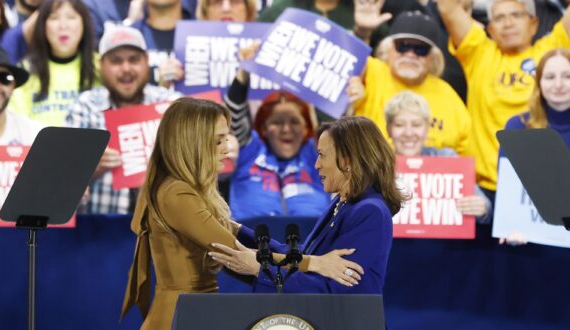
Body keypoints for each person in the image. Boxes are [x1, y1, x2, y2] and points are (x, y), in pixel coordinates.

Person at [120, 98, 364, 328]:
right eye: (218, 141)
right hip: (177, 318)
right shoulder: (176, 194)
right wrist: (317, 264)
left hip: (197, 312)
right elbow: (238, 253)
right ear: (191, 142)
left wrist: (299, 258)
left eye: (227, 138)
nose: (227, 148)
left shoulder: (184, 190)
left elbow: (243, 238)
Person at [210, 116, 405, 294]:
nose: (316, 164)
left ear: (346, 160)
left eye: (322, 155)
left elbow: (337, 289)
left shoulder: (370, 212)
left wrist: (259, 269)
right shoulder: (343, 202)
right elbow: (302, 257)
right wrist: (235, 230)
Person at [436, 0, 570, 205]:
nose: (508, 23)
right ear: (490, 29)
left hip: (539, 189)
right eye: (499, 18)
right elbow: (448, 7)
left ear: (534, 24)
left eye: (516, 15)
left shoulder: (553, 49)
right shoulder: (479, 53)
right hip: (484, 191)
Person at [65, 25, 176, 214]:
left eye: (134, 60)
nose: (126, 69)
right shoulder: (84, 107)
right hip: (99, 230)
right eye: (116, 61)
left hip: (161, 229)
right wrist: (87, 168)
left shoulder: (171, 105)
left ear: (147, 61)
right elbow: (61, 182)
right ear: (101, 65)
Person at [225, 45, 330, 220]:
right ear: (263, 128)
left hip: (311, 244)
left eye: (294, 122)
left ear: (307, 128)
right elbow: (233, 115)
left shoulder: (316, 155)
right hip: (250, 244)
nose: (286, 129)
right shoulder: (250, 150)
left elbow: (341, 133)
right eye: (277, 122)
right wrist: (244, 73)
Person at [353, 11, 471, 155]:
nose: (410, 54)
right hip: (372, 172)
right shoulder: (370, 71)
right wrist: (362, 33)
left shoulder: (449, 96)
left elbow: (466, 160)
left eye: (421, 49)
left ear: (433, 58)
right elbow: (346, 63)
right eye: (402, 46)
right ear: (386, 49)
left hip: (431, 174)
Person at [384, 90, 492, 223]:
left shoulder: (447, 159)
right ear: (388, 129)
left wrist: (482, 207)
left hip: (443, 243)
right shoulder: (377, 166)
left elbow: (486, 210)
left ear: (427, 128)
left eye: (416, 125)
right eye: (399, 125)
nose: (408, 132)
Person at [499, 47, 570, 245]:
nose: (559, 85)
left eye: (567, 76)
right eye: (549, 77)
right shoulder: (517, 127)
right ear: (539, 82)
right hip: (530, 246)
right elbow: (509, 189)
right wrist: (510, 226)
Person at [7, 0, 98, 127]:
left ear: (84, 23)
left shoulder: (100, 66)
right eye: (54, 18)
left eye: (71, 17)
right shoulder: (25, 70)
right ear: (42, 25)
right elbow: (17, 125)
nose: (63, 26)